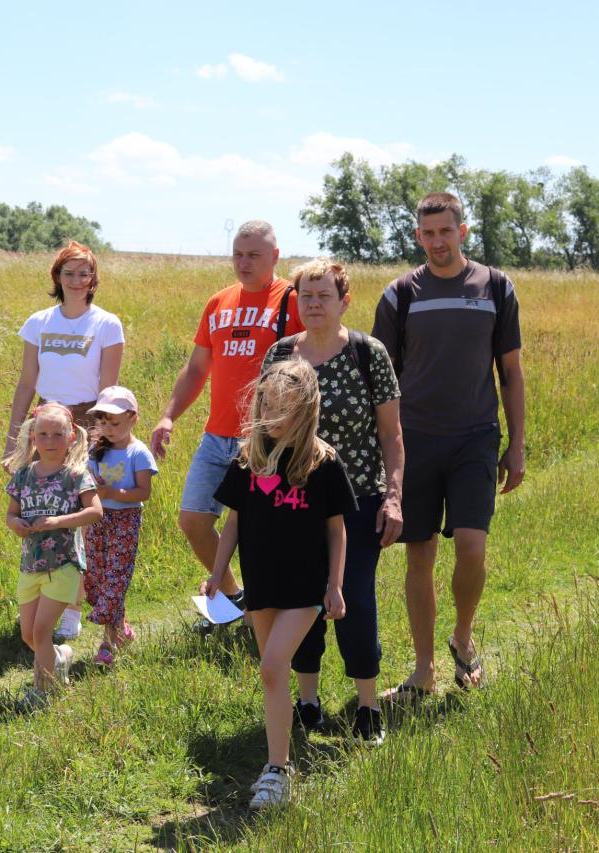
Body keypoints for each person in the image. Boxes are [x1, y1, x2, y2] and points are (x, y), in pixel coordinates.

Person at [371, 192, 525, 697]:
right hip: (414, 441)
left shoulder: (496, 287)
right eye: (428, 233)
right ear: (418, 236)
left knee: (472, 548)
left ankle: (462, 636)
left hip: (475, 437)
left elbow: (511, 372)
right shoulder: (400, 294)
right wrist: (381, 451)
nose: (437, 241)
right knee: (420, 557)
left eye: (446, 231)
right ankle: (424, 671)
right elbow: (381, 380)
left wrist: (517, 444)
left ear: (463, 231)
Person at [261, 258, 403, 744]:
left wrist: (393, 498)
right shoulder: (281, 353)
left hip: (358, 499)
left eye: (324, 295)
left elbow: (391, 435)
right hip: (294, 503)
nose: (314, 303)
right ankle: (308, 703)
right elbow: (265, 429)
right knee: (299, 599)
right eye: (306, 295)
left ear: (344, 302)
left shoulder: (368, 353)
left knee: (354, 599)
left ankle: (367, 707)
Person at [206, 359, 356, 809]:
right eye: (266, 405)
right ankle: (278, 762)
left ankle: (277, 771)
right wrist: (217, 573)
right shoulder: (248, 459)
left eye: (283, 408)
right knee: (272, 677)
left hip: (306, 587)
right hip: (262, 584)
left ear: (306, 409)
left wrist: (335, 585)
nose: (271, 417)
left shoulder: (323, 462)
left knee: (273, 666)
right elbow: (233, 524)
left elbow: (336, 530)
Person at [148, 221, 304, 625]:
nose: (243, 262)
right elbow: (197, 368)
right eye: (237, 254)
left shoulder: (292, 300)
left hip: (268, 439)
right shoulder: (219, 302)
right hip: (217, 436)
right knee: (193, 520)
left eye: (253, 255)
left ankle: (265, 608)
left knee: (260, 531)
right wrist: (168, 415)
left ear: (275, 256)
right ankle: (236, 596)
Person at [6, 241, 123, 643]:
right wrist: (14, 440)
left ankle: (72, 608)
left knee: (77, 516)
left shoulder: (106, 324)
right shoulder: (38, 322)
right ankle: (39, 598)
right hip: (46, 422)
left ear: (93, 279)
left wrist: (103, 437)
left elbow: (108, 388)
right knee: (39, 511)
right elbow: (26, 383)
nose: (76, 280)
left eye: (84, 273)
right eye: (69, 273)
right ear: (57, 277)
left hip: (87, 421)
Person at [3, 403, 103, 710]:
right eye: (43, 434)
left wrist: (58, 521)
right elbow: (11, 514)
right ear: (33, 437)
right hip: (31, 564)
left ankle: (42, 693)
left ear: (71, 437)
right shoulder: (23, 476)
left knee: (41, 630)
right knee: (29, 635)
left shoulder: (76, 475)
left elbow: (95, 511)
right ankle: (59, 657)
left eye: (57, 435)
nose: (50, 441)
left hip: (63, 564)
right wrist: (16, 525)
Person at [83, 386, 158, 666]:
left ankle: (107, 643)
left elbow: (143, 492)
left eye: (114, 423)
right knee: (97, 578)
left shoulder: (138, 453)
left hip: (125, 520)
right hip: (97, 519)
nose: (108, 429)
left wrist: (112, 492)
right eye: (103, 422)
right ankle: (122, 629)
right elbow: (86, 483)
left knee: (115, 578)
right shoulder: (96, 451)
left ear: (133, 418)